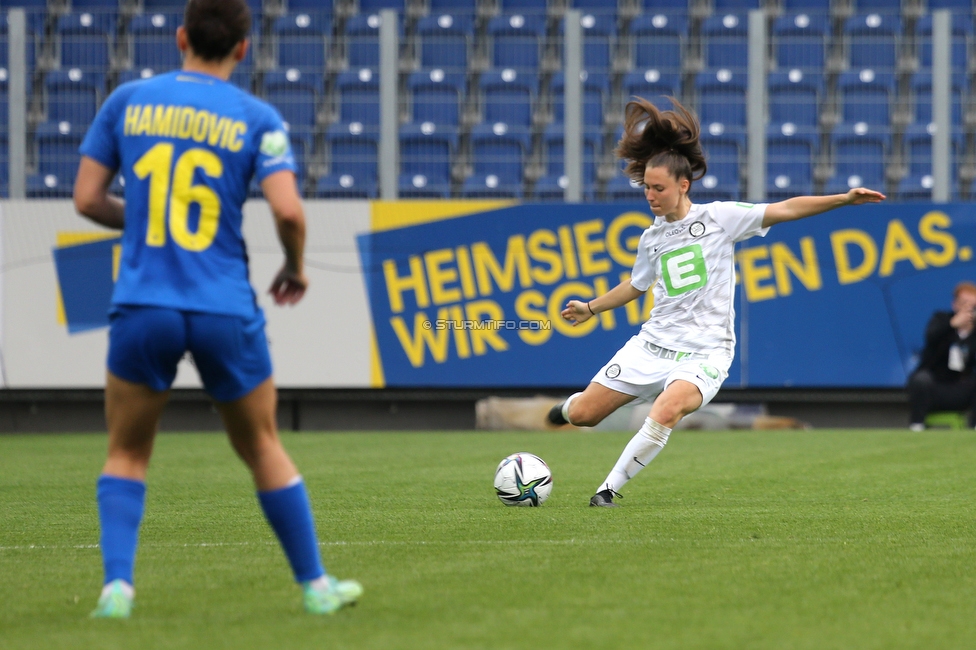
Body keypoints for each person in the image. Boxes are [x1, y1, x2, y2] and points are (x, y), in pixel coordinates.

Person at [73, 0, 361, 618]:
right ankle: (315, 586)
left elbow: (87, 199)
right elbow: (287, 211)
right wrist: (295, 265)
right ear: (243, 48)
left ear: (180, 38)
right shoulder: (256, 116)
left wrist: (149, 223)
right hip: (222, 305)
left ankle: (117, 589)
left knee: (126, 452)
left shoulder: (126, 101)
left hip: (143, 301)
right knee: (261, 445)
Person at [545, 97, 886, 507]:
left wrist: (842, 199)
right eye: (647, 188)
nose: (650, 196)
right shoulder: (651, 238)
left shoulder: (720, 218)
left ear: (683, 185)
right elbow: (636, 286)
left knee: (668, 409)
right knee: (585, 415)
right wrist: (591, 307)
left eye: (659, 188)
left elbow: (784, 209)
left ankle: (608, 489)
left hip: (705, 352)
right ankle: (565, 408)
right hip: (651, 345)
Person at [906, 282, 976, 431]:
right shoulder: (941, 319)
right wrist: (952, 325)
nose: (968, 310)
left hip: (961, 390)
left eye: (973, 306)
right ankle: (917, 425)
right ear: (955, 304)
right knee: (920, 379)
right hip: (935, 388)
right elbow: (931, 339)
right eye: (964, 304)